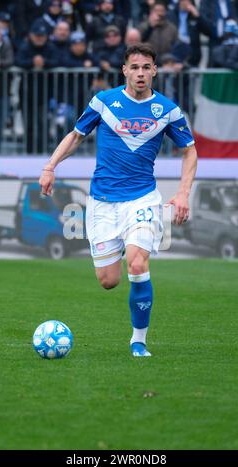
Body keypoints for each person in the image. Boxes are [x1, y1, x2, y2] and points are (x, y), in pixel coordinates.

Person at [39, 43, 197, 357]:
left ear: (154, 70)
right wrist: (50, 166)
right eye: (134, 67)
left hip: (142, 200)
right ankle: (127, 244)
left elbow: (189, 149)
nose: (140, 73)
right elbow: (75, 136)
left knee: (137, 264)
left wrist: (182, 193)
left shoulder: (167, 110)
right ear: (124, 70)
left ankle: (139, 340)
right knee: (108, 280)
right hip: (102, 203)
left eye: (146, 67)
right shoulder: (104, 102)